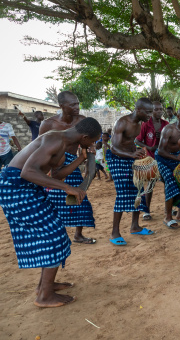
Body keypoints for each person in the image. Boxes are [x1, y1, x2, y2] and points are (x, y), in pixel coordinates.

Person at [0, 117, 101, 308]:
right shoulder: (55, 139)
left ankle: (44, 286)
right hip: (16, 187)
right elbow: (27, 172)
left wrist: (82, 158)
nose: (94, 144)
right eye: (93, 141)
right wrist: (67, 188)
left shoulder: (64, 143)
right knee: (53, 235)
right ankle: (44, 296)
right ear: (85, 137)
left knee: (56, 233)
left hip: (27, 188)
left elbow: (56, 174)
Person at [39, 91, 96, 244]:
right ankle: (53, 236)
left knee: (80, 198)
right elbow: (39, 148)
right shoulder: (48, 124)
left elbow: (89, 145)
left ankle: (78, 235)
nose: (77, 107)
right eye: (72, 104)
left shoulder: (82, 121)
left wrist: (90, 162)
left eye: (77, 103)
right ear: (61, 106)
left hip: (73, 162)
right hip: (52, 165)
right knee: (52, 202)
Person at [106, 98, 154, 246]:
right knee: (122, 194)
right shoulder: (122, 123)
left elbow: (130, 143)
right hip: (116, 159)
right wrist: (131, 155)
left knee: (138, 190)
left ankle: (135, 226)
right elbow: (114, 148)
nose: (150, 115)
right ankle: (115, 232)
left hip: (128, 157)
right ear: (138, 110)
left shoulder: (140, 124)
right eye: (148, 112)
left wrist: (137, 152)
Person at [155, 106, 180, 228]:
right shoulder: (168, 129)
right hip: (163, 159)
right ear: (178, 117)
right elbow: (160, 150)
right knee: (171, 182)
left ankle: (179, 215)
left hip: (177, 157)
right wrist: (176, 158)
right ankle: (167, 217)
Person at [134, 101, 169, 219]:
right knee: (150, 185)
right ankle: (147, 210)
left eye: (161, 109)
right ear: (151, 111)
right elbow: (137, 140)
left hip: (164, 158)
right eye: (156, 109)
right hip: (150, 158)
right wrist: (149, 147)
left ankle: (168, 209)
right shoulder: (145, 124)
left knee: (167, 183)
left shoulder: (166, 124)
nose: (159, 111)